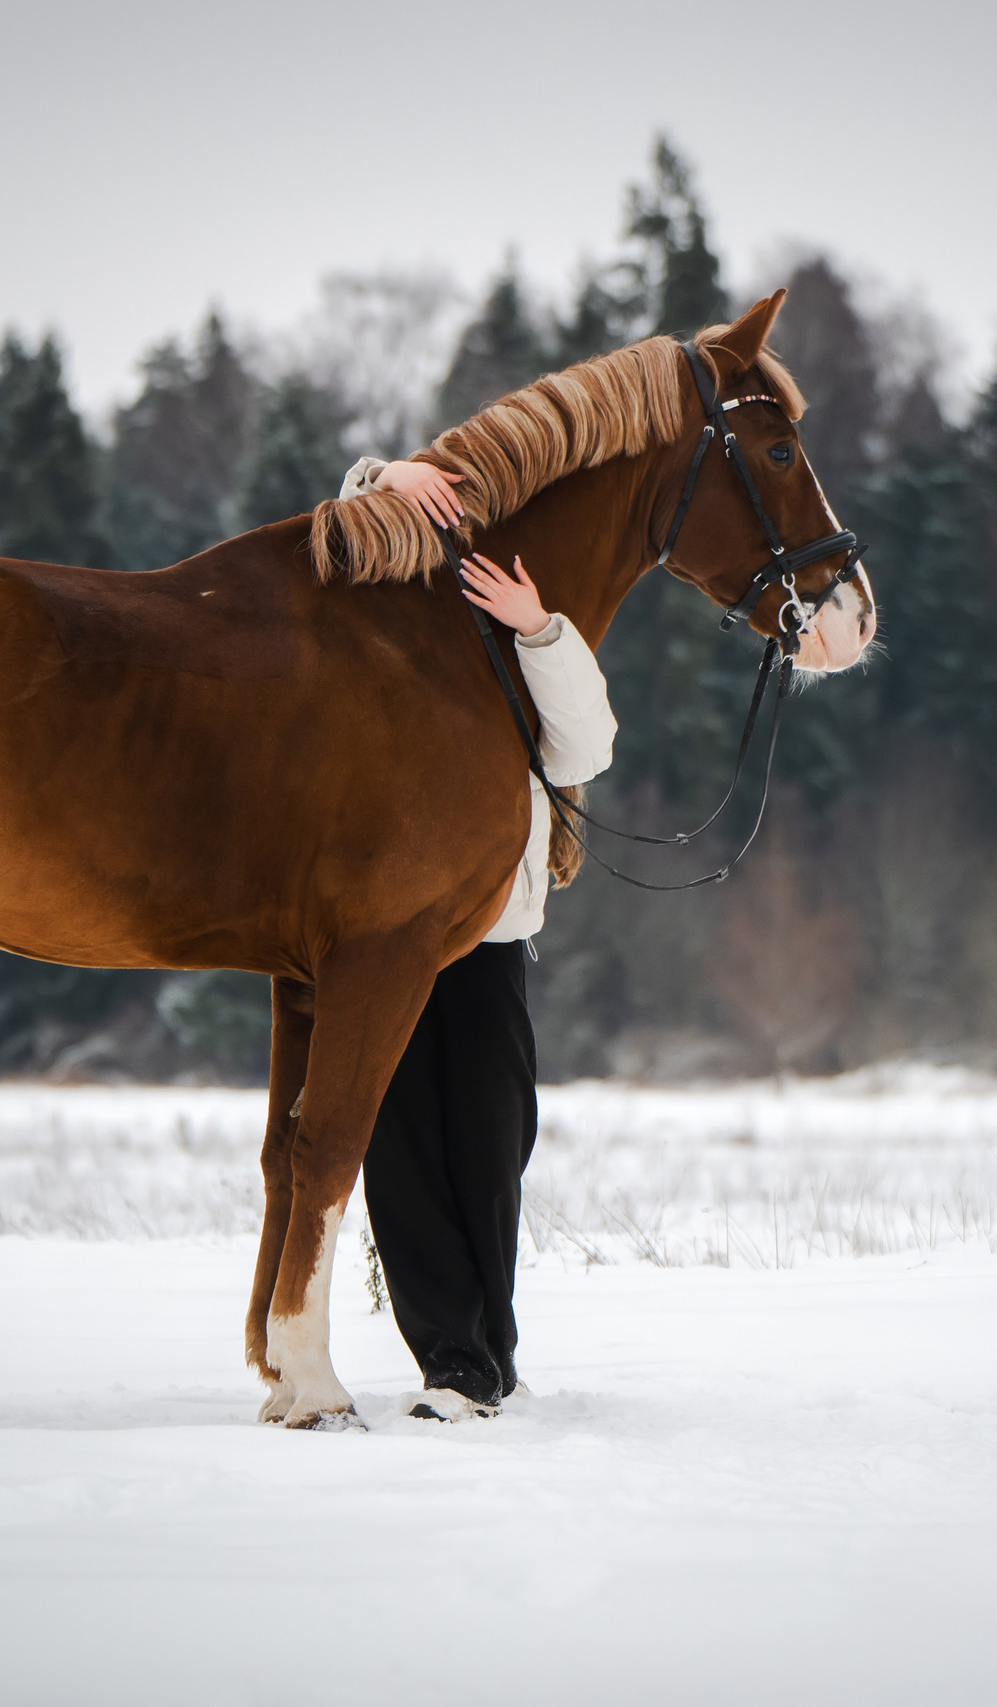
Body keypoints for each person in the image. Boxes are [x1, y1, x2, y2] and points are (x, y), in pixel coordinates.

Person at [338, 453, 617, 1418]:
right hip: (389, 928)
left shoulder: (531, 627)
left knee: (493, 1142)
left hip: (493, 925)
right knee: (402, 1147)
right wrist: (380, 473)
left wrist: (538, 627)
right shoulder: (386, 614)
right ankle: (453, 1362)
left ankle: (489, 1352)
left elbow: (588, 745)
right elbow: (335, 541)